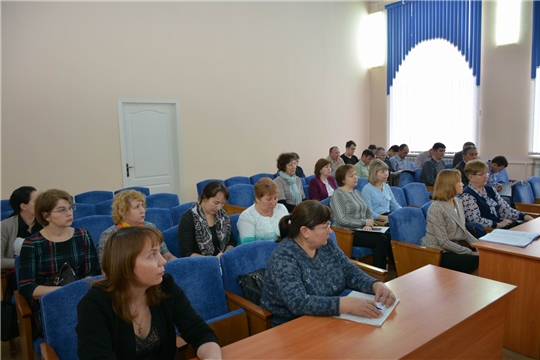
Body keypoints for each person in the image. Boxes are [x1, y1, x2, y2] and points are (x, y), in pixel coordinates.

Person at [77, 227, 221, 359]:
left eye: (159, 252)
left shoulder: (165, 284)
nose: (163, 261)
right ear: (125, 265)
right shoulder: (94, 306)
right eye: (152, 255)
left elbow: (198, 331)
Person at [259, 200, 395, 327]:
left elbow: (348, 270)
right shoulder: (284, 257)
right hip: (293, 325)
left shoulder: (325, 243)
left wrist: (375, 284)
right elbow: (298, 303)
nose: (330, 231)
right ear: (305, 231)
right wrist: (343, 305)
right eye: (325, 227)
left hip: (328, 317)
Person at [19, 189, 100, 338]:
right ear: (46, 215)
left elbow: (93, 272)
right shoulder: (32, 244)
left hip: (83, 297)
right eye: (62, 210)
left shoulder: (82, 235)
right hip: (51, 303)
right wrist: (65, 292)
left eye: (70, 208)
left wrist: (77, 292)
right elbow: (27, 288)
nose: (69, 213)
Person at [330, 165, 391, 270]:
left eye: (355, 174)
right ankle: (378, 272)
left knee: (389, 234)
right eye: (351, 176)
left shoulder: (357, 192)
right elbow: (342, 219)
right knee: (380, 239)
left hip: (361, 228)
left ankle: (390, 269)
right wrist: (364, 223)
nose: (355, 177)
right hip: (347, 232)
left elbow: (368, 211)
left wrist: (369, 224)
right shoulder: (338, 194)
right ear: (343, 180)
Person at [421, 170, 479, 274]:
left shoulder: (457, 201)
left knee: (485, 257)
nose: (463, 184)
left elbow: (463, 230)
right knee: (476, 261)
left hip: (453, 247)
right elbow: (443, 241)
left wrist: (479, 246)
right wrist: (470, 252)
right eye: (460, 181)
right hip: (437, 251)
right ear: (450, 185)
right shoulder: (437, 208)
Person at [97, 190, 176, 264]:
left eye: (142, 206)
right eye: (137, 207)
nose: (143, 210)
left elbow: (167, 256)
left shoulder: (150, 227)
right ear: (121, 211)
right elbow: (106, 271)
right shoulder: (108, 235)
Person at [461, 160, 533, 230]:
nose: (486, 176)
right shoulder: (467, 195)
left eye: (486, 173)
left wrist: (524, 216)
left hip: (499, 226)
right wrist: (498, 225)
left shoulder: (491, 189)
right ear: (471, 177)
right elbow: (475, 220)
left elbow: (505, 209)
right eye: (481, 174)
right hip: (488, 231)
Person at [178, 181, 236, 257]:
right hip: (201, 263)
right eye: (216, 203)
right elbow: (186, 253)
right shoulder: (188, 218)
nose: (219, 208)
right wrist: (213, 260)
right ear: (205, 197)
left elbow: (231, 242)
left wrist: (224, 255)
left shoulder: (223, 215)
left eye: (222, 203)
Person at [237, 178, 289, 244]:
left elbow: (290, 233)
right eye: (269, 199)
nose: (274, 202)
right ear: (257, 199)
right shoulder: (247, 216)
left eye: (275, 198)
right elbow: (248, 246)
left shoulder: (281, 208)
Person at [1, 186, 42, 270]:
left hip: (45, 271)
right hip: (18, 272)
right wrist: (26, 263)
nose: (42, 204)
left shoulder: (46, 222)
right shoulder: (5, 226)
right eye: (37, 201)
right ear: (23, 206)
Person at [361, 160, 401, 224]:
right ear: (374, 173)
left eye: (386, 171)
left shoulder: (386, 186)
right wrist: (387, 218)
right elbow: (369, 213)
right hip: (377, 220)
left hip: (388, 217)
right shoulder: (367, 189)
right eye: (382, 172)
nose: (386, 174)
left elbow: (394, 205)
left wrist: (404, 212)